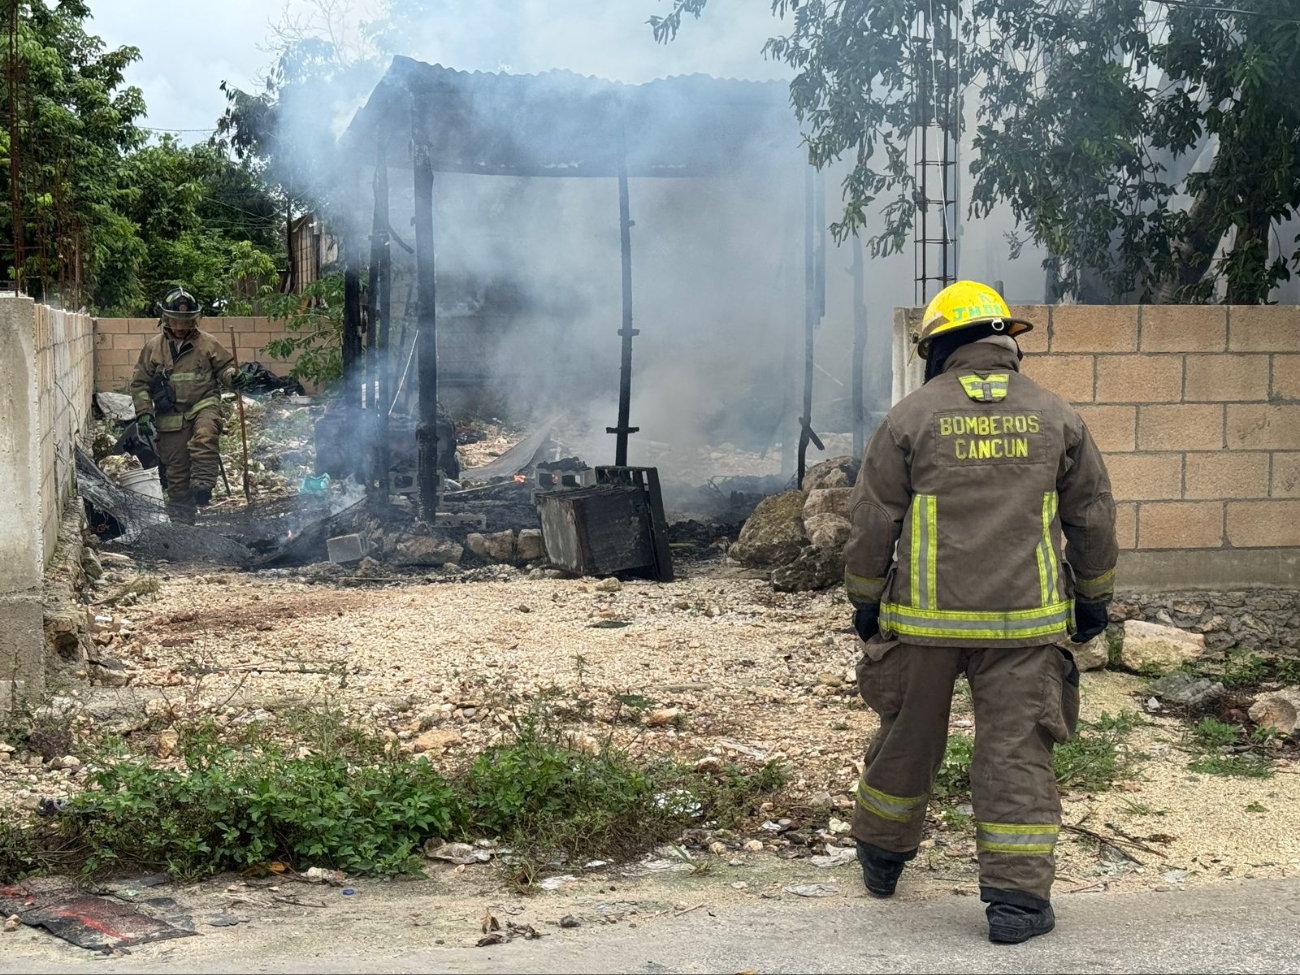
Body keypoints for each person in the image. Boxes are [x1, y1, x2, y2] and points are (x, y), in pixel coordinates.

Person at [842, 280, 1117, 944]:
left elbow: (871, 521)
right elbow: (1093, 517)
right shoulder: (1057, 416)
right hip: (1025, 628)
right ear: (1003, 340)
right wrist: (1092, 598)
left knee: (906, 739)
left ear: (938, 348)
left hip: (923, 627)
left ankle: (882, 859)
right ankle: (1017, 904)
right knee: (1017, 753)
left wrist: (866, 599)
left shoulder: (909, 418)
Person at [130, 288, 246, 521]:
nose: (181, 327)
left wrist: (234, 378)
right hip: (170, 418)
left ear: (195, 319)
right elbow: (139, 383)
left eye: (186, 321)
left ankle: (203, 486)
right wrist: (144, 412)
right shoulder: (153, 347)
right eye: (175, 321)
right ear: (165, 319)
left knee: (205, 434)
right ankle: (184, 527)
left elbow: (225, 369)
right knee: (177, 475)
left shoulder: (208, 343)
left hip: (204, 404)